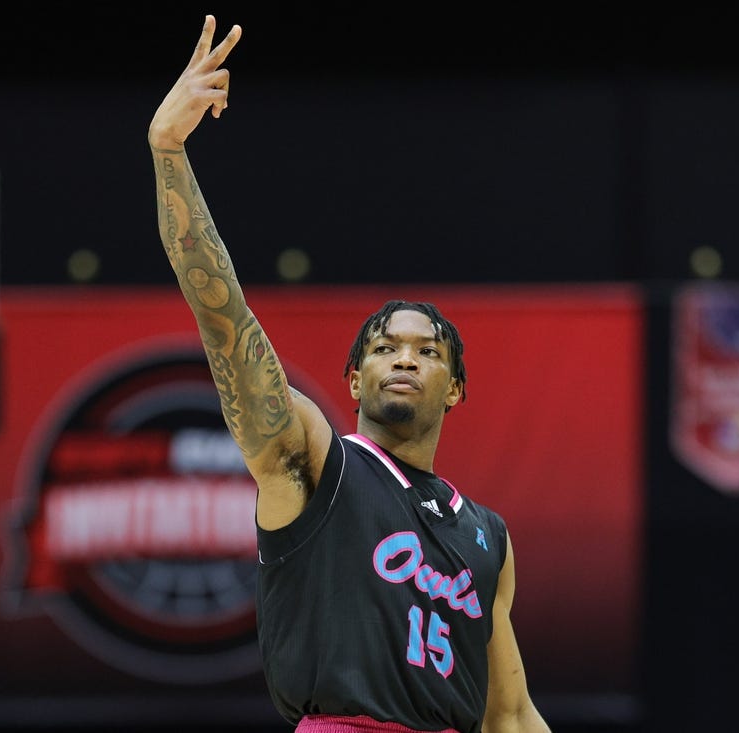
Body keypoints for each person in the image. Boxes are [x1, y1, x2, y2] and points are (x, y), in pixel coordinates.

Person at [148, 15, 551, 733]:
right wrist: (168, 152)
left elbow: (511, 713)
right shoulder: (316, 463)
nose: (404, 356)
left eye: (427, 351)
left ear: (455, 388)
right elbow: (224, 317)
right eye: (384, 347)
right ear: (354, 378)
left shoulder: (488, 536)